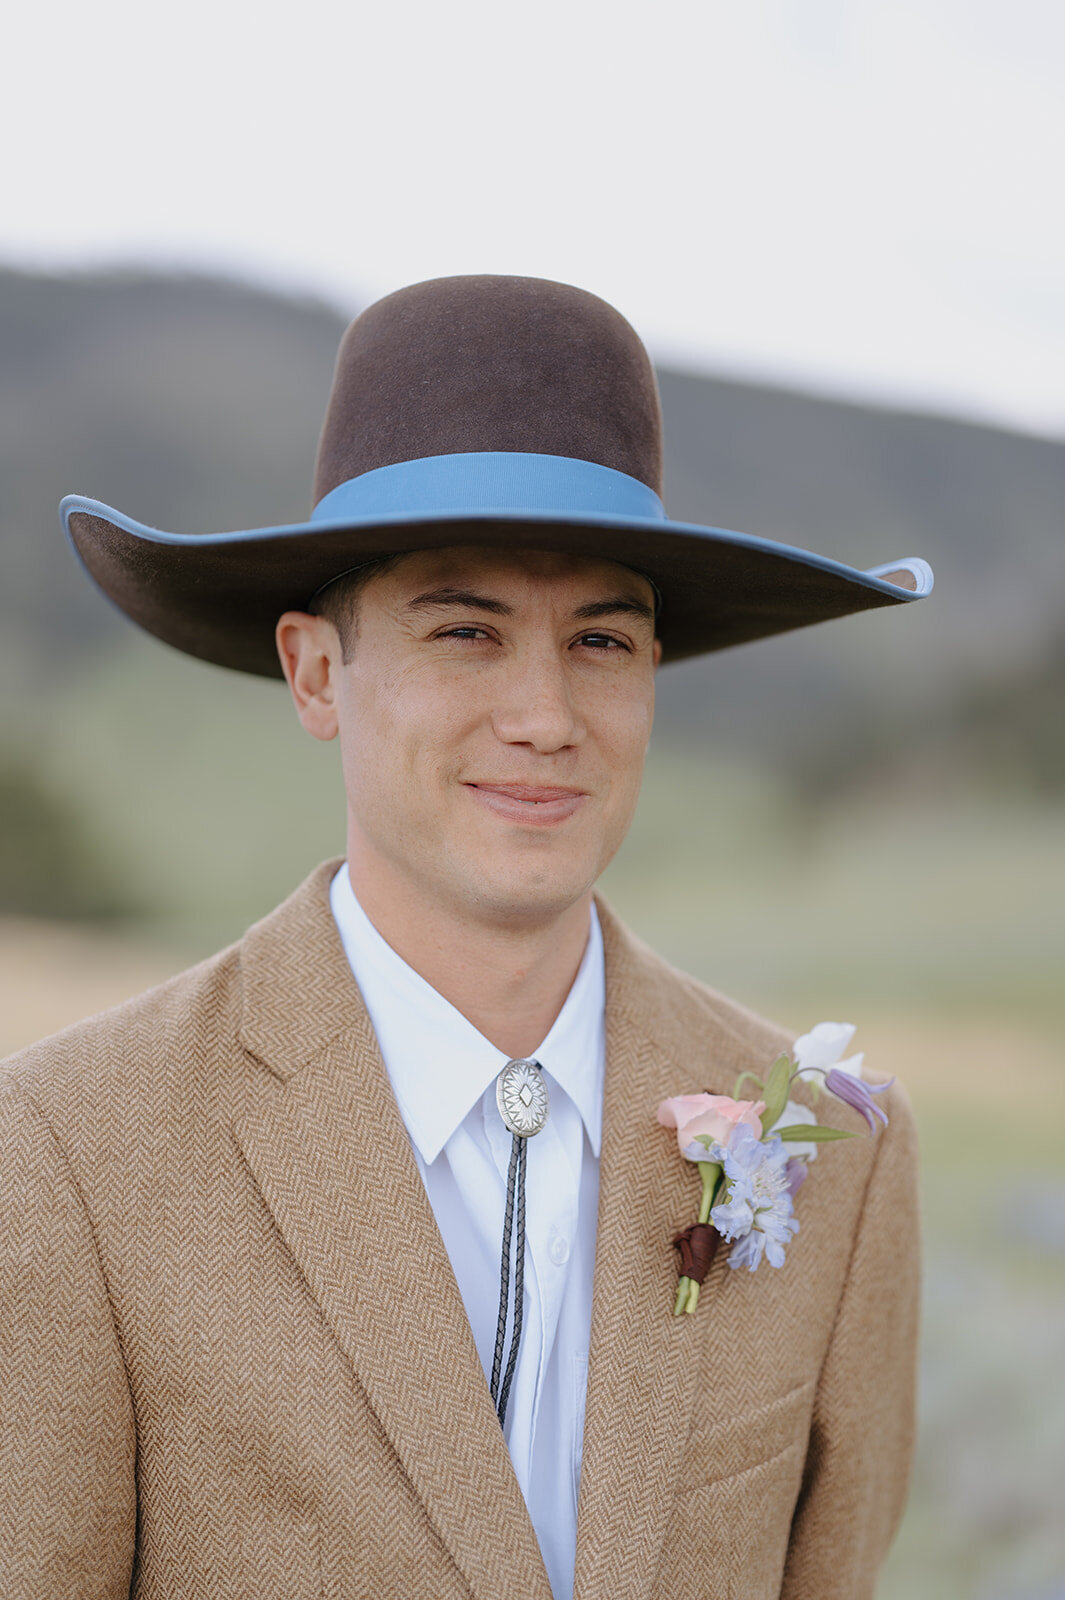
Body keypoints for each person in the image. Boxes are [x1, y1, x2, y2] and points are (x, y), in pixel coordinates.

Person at [0, 275, 931, 1600]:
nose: (546, 714)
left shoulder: (830, 1151)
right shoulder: (69, 1151)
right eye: (463, 632)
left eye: (600, 640)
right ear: (319, 674)